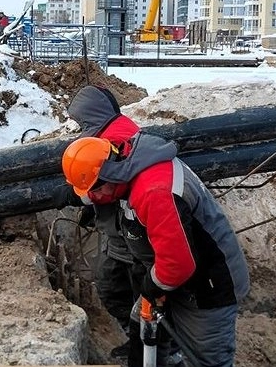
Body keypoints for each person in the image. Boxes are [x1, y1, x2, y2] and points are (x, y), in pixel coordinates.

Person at [62, 131, 250, 367]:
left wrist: (154, 283)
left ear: (110, 175)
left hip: (207, 289)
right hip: (177, 280)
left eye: (94, 191)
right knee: (143, 329)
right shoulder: (129, 167)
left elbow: (177, 264)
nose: (92, 198)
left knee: (206, 360)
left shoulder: (154, 191)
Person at [66, 85, 182, 366]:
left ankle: (162, 348)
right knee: (115, 287)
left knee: (140, 295)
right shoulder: (108, 131)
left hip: (132, 235)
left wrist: (81, 193)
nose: (78, 128)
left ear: (92, 116)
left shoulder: (115, 137)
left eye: (80, 121)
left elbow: (111, 184)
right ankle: (140, 340)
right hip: (120, 234)